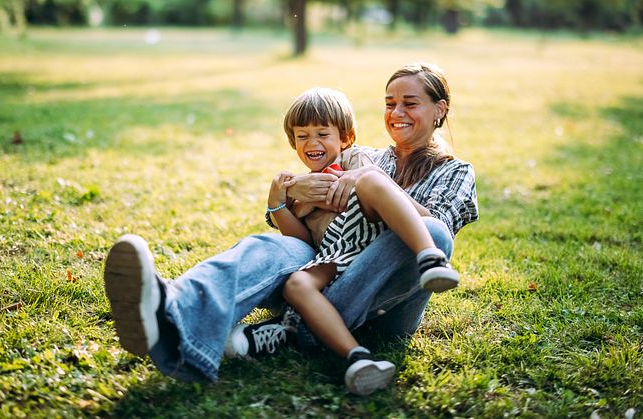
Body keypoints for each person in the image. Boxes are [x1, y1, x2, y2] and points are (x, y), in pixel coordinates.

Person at [103, 62, 478, 393]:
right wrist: (283, 196)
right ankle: (170, 312)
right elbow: (311, 226)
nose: (396, 112)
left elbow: (438, 225)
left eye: (409, 103)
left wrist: (372, 182)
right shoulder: (364, 156)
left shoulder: (453, 171)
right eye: (389, 103)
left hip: (385, 301)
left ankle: (299, 330)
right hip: (329, 271)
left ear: (439, 109)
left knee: (435, 235)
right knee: (268, 247)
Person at [239, 87, 459, 395]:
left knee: (371, 179)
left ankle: (429, 257)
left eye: (322, 134)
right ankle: (356, 357)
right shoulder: (299, 193)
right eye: (302, 136)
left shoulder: (356, 158)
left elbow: (373, 190)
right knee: (296, 285)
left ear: (346, 137)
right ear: (293, 143)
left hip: (369, 240)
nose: (312, 144)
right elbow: (303, 242)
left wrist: (308, 194)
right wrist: (278, 204)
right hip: (335, 252)